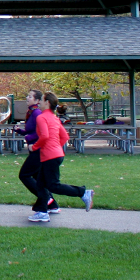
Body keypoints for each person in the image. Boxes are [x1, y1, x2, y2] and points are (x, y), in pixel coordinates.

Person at [28, 92, 94, 222]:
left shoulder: (41, 118)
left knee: (53, 186)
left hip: (50, 156)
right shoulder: (54, 118)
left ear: (47, 103)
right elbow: (64, 137)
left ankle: (83, 192)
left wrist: (34, 147)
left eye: (41, 100)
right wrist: (56, 148)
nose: (39, 102)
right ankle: (42, 212)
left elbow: (45, 136)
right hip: (56, 154)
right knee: (41, 184)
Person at [13, 90, 59, 215]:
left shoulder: (37, 113)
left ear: (38, 101)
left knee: (24, 175)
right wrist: (21, 131)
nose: (27, 98)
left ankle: (46, 199)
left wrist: (28, 138)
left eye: (30, 96)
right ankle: (53, 205)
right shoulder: (31, 113)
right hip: (35, 149)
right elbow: (32, 130)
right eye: (27, 95)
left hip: (38, 150)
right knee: (38, 178)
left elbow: (42, 133)